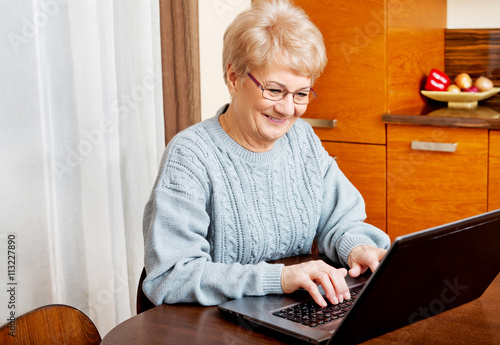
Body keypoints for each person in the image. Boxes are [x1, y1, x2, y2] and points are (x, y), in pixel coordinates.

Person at [142, 0, 390, 308]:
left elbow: (340, 220)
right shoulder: (191, 155)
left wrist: (358, 247)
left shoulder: (302, 140)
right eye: (274, 90)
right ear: (234, 78)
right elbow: (172, 275)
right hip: (215, 326)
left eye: (301, 94)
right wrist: (280, 279)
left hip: (289, 312)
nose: (288, 109)